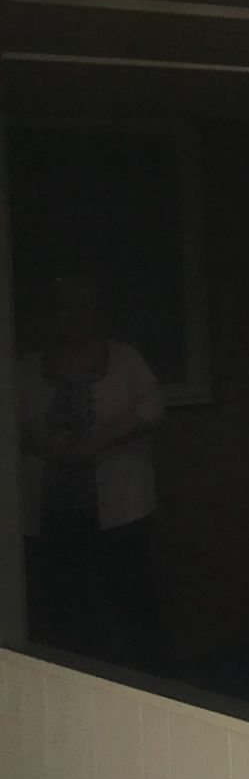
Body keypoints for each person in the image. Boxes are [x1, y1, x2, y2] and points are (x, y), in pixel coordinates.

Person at [18, 272, 165, 666]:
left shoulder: (124, 359)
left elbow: (153, 407)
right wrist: (42, 443)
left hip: (119, 505)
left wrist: (104, 439)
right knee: (66, 601)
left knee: (131, 593)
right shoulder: (27, 367)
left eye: (82, 307)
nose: (72, 316)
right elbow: (12, 418)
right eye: (63, 307)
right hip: (51, 508)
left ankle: (150, 678)